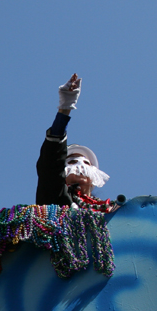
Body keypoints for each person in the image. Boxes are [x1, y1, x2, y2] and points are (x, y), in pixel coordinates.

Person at [35, 74, 114, 212]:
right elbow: (51, 165)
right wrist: (64, 110)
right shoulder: (55, 202)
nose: (80, 166)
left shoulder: (112, 210)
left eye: (86, 164)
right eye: (71, 162)